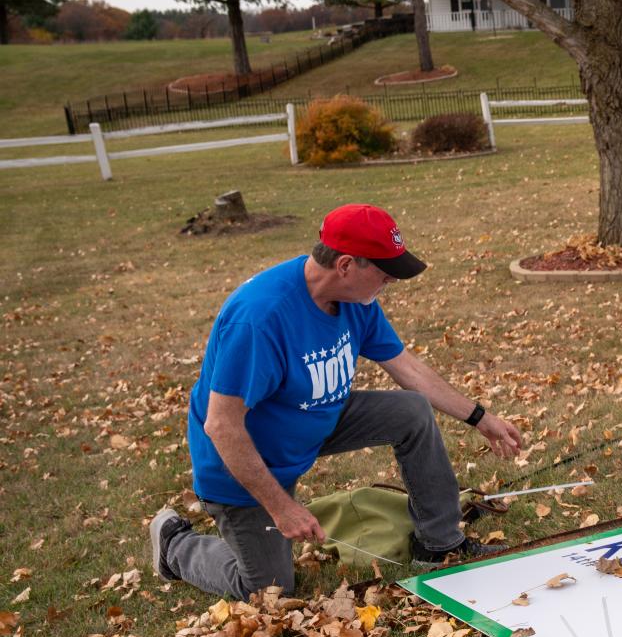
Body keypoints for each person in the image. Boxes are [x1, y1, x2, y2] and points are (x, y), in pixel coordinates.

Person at [150, 203, 523, 598]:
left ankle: (439, 543)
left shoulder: (354, 302)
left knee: (411, 412)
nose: (390, 283)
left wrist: (479, 417)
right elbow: (221, 426)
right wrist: (282, 508)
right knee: (270, 590)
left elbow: (408, 370)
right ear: (346, 266)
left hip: (311, 417)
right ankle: (175, 544)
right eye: (384, 274)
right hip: (244, 456)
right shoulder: (260, 319)